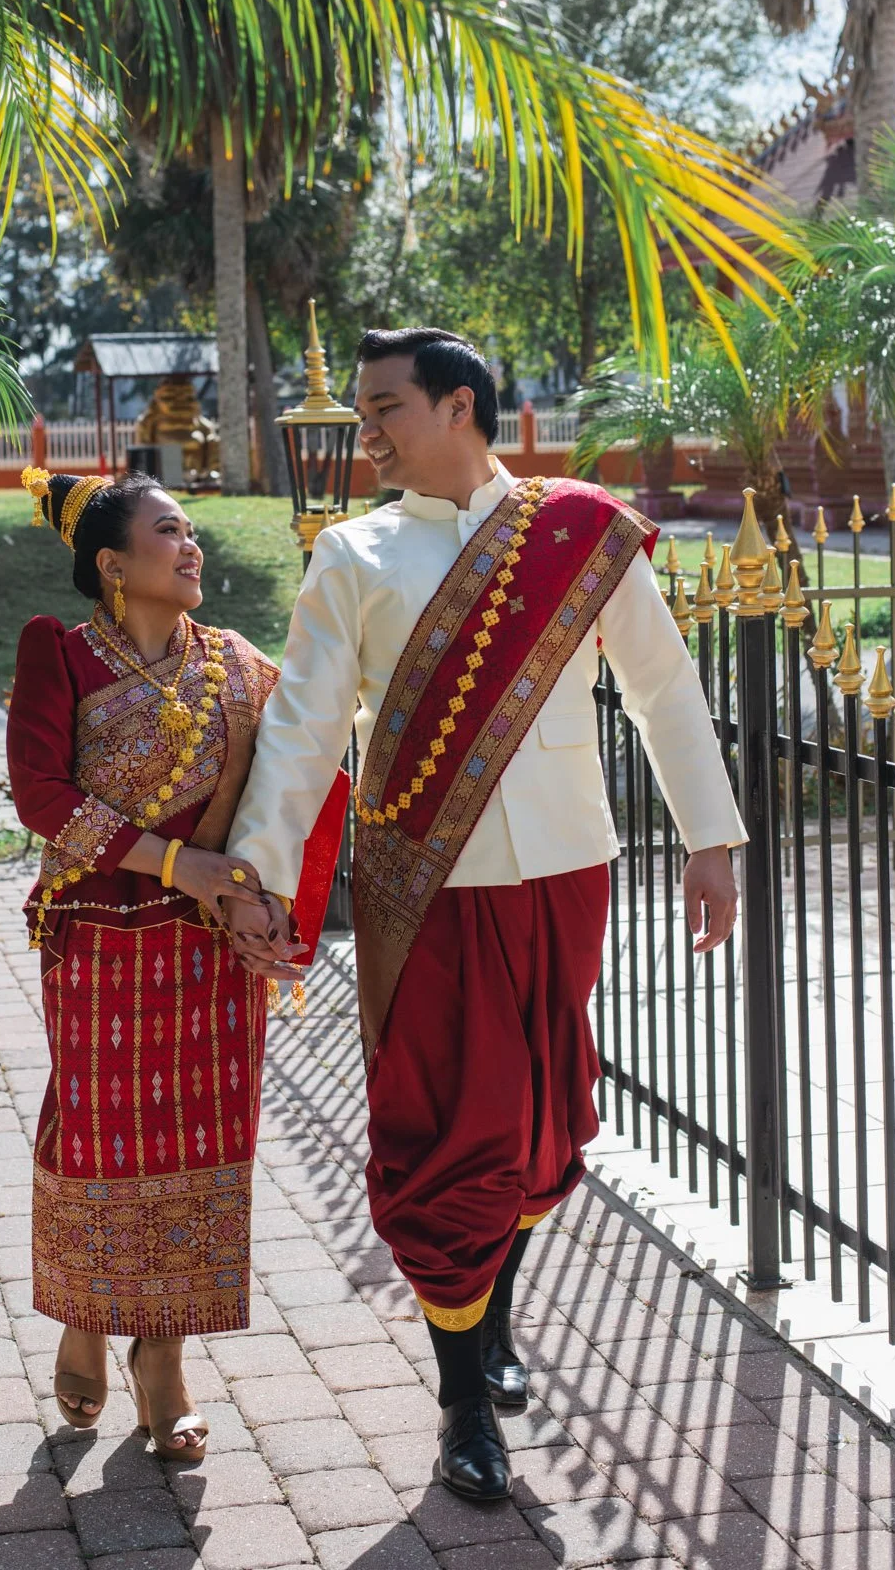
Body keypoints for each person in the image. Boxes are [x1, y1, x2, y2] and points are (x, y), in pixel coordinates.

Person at [229, 328, 747, 1502]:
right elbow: (306, 728)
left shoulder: (579, 531)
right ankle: (465, 1396)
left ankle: (489, 1317)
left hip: (567, 866)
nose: (366, 432)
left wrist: (711, 835)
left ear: (459, 404)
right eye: (362, 410)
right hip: (428, 893)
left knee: (540, 1123)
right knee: (445, 1132)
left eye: (385, 407)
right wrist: (262, 869)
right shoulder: (352, 553)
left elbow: (663, 685)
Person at [7, 466, 287, 1462]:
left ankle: (161, 1360)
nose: (192, 546)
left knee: (205, 1140)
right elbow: (41, 795)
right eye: (170, 531)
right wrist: (179, 860)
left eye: (193, 531)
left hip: (211, 947)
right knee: (101, 1132)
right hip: (98, 932)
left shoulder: (242, 664)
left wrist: (261, 897)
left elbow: (286, 790)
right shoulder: (61, 653)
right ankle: (87, 1312)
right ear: (115, 563)